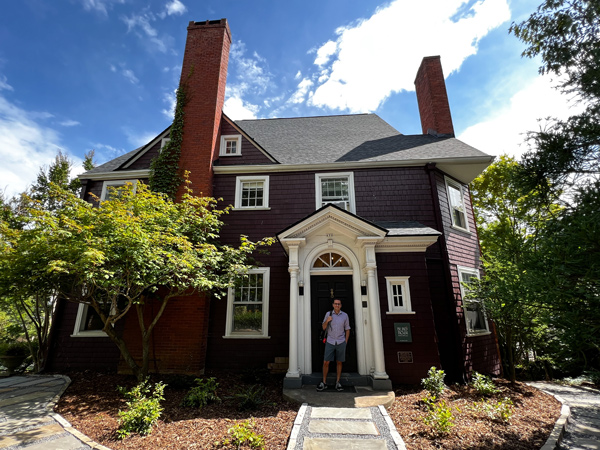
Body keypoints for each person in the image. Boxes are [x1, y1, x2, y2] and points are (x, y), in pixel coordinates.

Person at [317, 298, 350, 392]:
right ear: (333, 305)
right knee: (326, 362)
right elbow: (323, 328)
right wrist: (327, 320)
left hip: (340, 341)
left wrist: (345, 341)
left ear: (341, 305)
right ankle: (324, 382)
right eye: (335, 304)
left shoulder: (345, 315)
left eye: (339, 304)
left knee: (339, 362)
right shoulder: (328, 314)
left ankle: (338, 382)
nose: (337, 305)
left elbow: (347, 329)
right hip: (330, 341)